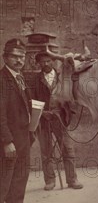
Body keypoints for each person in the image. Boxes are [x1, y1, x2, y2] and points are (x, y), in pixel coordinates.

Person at [1, 39, 38, 203]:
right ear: (5, 57)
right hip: (9, 139)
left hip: (24, 136)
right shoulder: (2, 79)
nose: (19, 60)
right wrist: (6, 141)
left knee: (20, 174)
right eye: (15, 56)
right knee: (4, 177)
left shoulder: (20, 77)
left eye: (22, 56)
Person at [31, 52, 83, 191]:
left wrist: (68, 113)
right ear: (38, 63)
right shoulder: (35, 80)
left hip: (61, 118)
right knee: (46, 151)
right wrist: (43, 113)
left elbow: (73, 95)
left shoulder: (63, 77)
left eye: (48, 61)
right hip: (44, 120)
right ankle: (50, 181)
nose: (46, 64)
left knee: (68, 148)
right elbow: (31, 100)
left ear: (53, 61)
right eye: (42, 62)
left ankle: (72, 180)